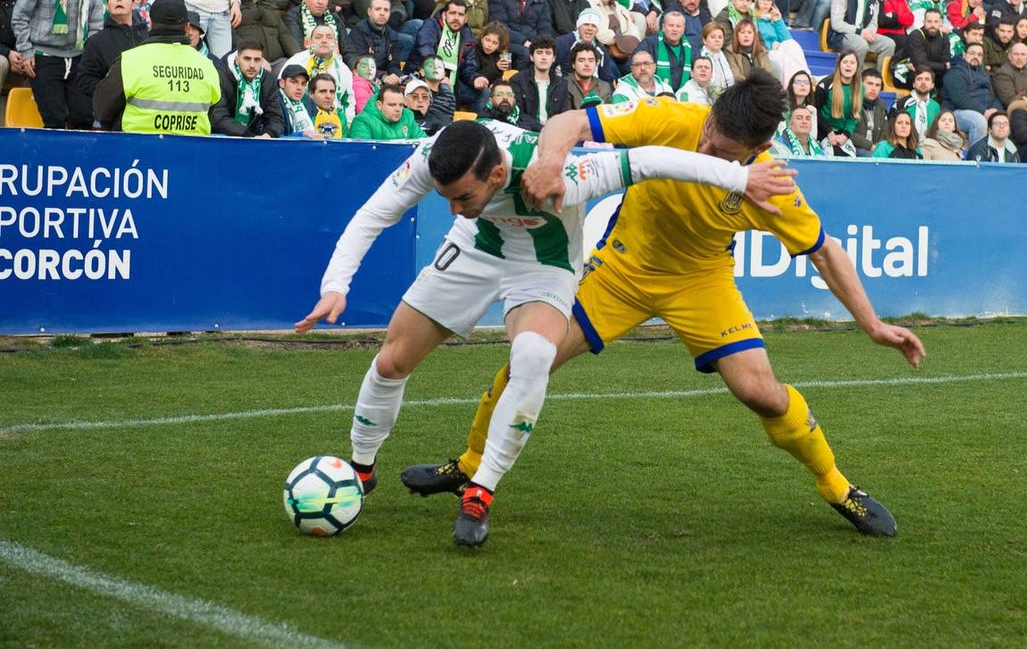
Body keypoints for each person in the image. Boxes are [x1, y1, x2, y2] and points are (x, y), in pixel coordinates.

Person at [400, 71, 925, 543]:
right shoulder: (672, 116)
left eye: (722, 153)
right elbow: (566, 123)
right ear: (711, 112)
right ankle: (469, 467)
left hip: (702, 280)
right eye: (708, 137)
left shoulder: (770, 185)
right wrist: (550, 162)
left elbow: (826, 252)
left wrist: (873, 324)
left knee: (760, 392)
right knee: (530, 358)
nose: (705, 152)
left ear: (758, 150)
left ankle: (837, 487)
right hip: (622, 269)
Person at [296, 109, 795, 546]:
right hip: (476, 248)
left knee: (533, 356)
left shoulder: (568, 174)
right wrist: (336, 285)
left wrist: (738, 178)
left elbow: (649, 160)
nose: (451, 206)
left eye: (462, 195)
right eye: (445, 197)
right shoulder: (436, 155)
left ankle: (479, 492)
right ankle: (361, 470)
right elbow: (374, 214)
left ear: (497, 174)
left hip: (544, 264)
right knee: (392, 360)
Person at [11, 0, 103, 130]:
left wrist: (91, 58)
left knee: (83, 120)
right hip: (45, 57)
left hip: (79, 58)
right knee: (55, 119)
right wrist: (26, 51)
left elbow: (96, 24)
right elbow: (20, 14)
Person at [93, 0, 221, 133]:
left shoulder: (130, 61)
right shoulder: (207, 65)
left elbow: (101, 109)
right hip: (192, 151)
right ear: (187, 27)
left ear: (151, 23)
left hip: (137, 149)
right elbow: (212, 112)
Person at [75, 0, 147, 121]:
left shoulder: (147, 38)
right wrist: (111, 93)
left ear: (134, 4)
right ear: (108, 6)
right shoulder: (96, 41)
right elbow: (84, 79)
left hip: (145, 112)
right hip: (113, 116)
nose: (119, 0)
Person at [211, 40, 285, 136]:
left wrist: (268, 134)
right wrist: (249, 136)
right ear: (237, 60)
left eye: (257, 60)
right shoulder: (219, 76)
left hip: (253, 138)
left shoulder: (268, 80)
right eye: (247, 59)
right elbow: (218, 117)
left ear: (262, 61)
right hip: (220, 138)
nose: (252, 65)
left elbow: (276, 118)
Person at [828, 0, 895, 66]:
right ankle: (856, 78)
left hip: (863, 35)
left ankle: (878, 79)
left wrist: (869, 32)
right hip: (842, 36)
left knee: (889, 44)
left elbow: (873, 23)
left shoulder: (874, 1)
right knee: (861, 44)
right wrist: (859, 32)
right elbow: (836, 24)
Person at [752, 0, 808, 84]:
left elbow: (788, 40)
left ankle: (805, 77)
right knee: (778, 57)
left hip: (778, 50)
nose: (765, 3)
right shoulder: (753, 19)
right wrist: (771, 46)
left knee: (793, 45)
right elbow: (754, 40)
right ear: (757, 2)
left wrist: (778, 21)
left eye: (769, 0)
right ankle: (790, 86)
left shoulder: (773, 18)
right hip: (764, 52)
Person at [812, 50, 863, 156]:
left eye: (852, 63)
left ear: (857, 67)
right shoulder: (825, 85)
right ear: (839, 65)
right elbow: (815, 113)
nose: (848, 65)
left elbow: (854, 117)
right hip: (823, 131)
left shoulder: (860, 88)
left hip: (842, 134)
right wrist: (829, 132)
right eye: (845, 62)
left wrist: (846, 135)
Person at [348, 81, 422, 140]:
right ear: (379, 105)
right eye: (392, 105)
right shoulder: (362, 121)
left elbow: (424, 143)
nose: (398, 109)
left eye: (401, 105)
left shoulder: (407, 116)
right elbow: (362, 151)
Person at [993, 41, 1027, 108]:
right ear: (1010, 56)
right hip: (1018, 111)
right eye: (1016, 54)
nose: (1019, 58)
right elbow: (1010, 101)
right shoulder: (1002, 74)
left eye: (1023, 54)